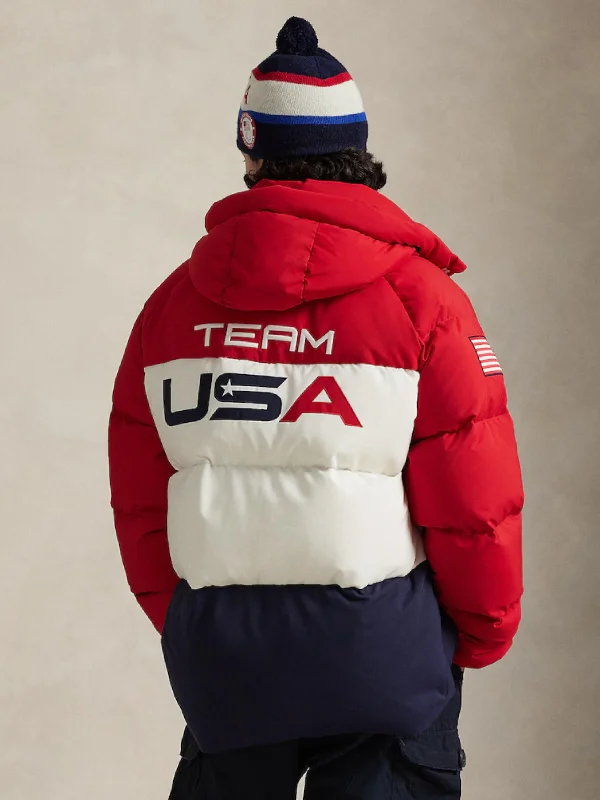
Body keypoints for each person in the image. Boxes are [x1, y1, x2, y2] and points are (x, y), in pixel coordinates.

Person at [108, 16, 524, 800]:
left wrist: (195, 624)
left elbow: (140, 500)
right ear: (358, 152)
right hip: (388, 653)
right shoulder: (424, 300)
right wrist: (481, 631)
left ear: (252, 154)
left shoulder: (169, 308)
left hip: (228, 661)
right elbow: (476, 492)